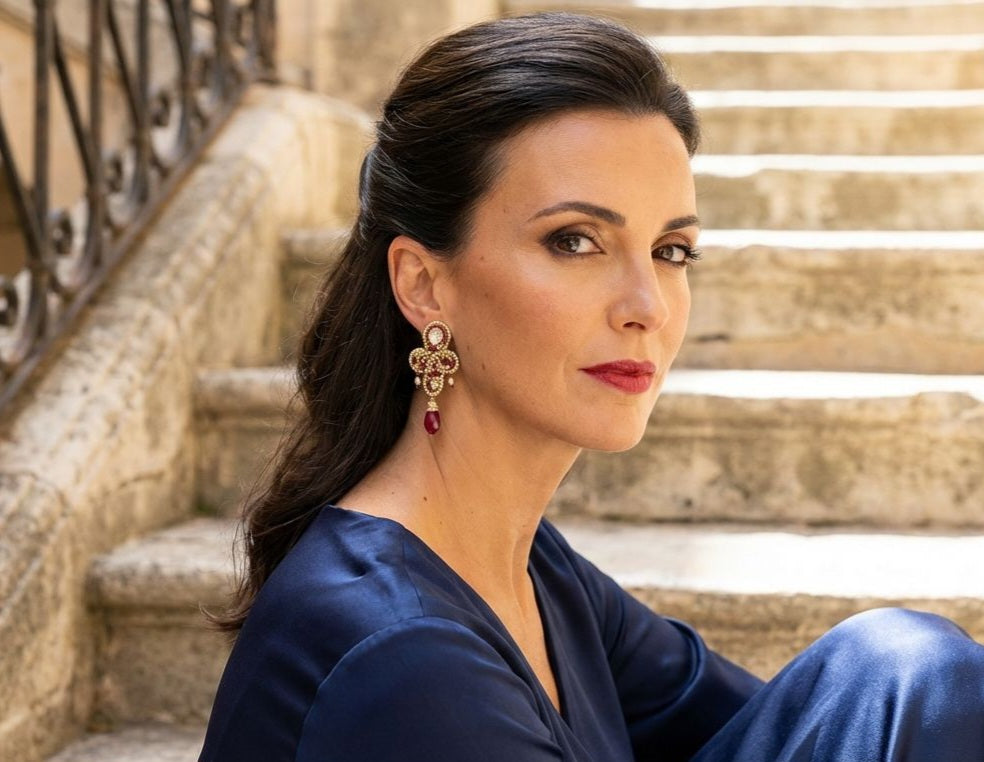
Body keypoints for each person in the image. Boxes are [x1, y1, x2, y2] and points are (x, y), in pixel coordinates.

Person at [199, 12, 984, 761]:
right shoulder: (401, 655)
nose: (646, 307)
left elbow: (815, 728)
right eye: (575, 241)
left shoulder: (530, 568)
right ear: (424, 285)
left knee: (901, 673)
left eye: (671, 251)